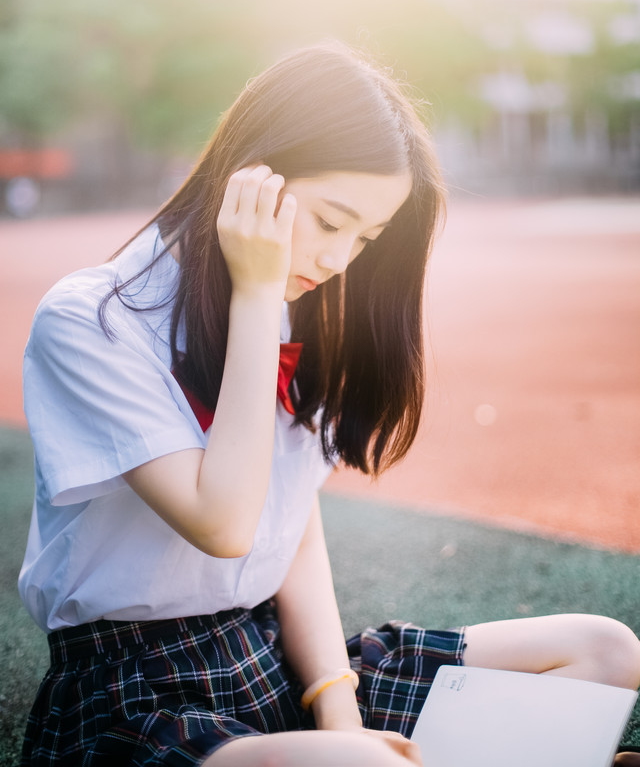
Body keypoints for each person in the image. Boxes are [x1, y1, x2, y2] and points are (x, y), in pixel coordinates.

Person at [19, 42, 640, 767]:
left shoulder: (284, 304)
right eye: (329, 221)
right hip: (138, 691)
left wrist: (335, 708)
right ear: (252, 178)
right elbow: (225, 522)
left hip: (271, 656)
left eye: (366, 238)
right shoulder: (91, 320)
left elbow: (291, 524)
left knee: (604, 650)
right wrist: (255, 291)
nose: (341, 260)